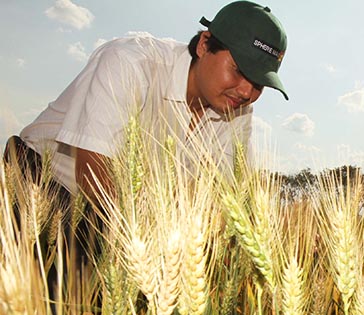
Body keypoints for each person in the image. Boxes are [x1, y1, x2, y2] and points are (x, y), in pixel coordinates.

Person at [5, 1, 288, 201]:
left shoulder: (238, 111)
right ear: (204, 45)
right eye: (239, 70)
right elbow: (94, 174)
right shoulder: (130, 62)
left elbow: (226, 195)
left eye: (260, 83)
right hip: (37, 185)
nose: (246, 92)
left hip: (123, 221)